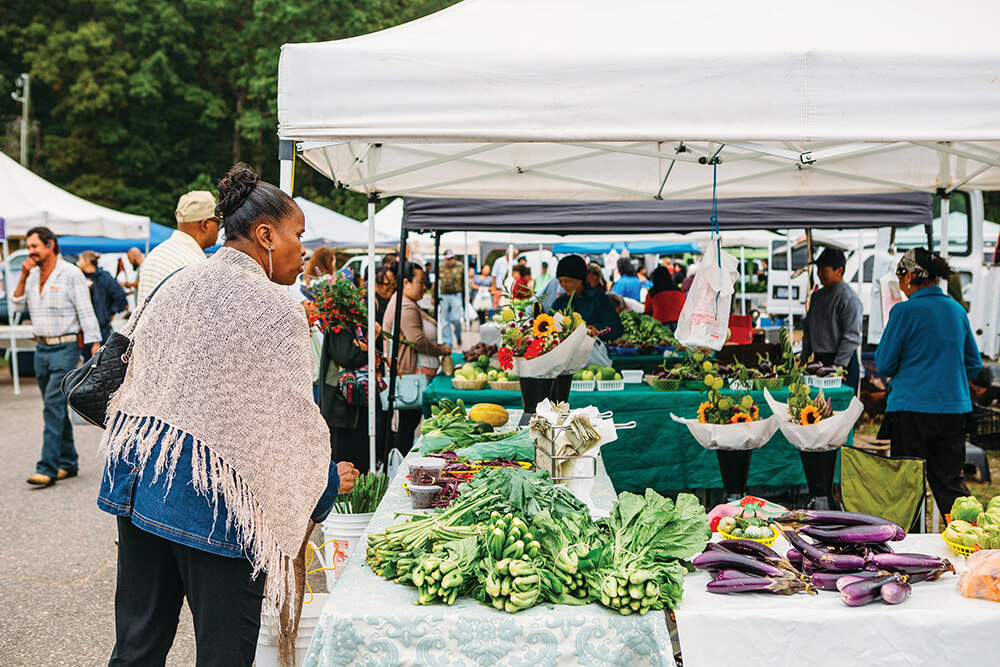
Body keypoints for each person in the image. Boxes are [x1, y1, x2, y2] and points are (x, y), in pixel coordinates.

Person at [97, 163, 358, 665]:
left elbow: (143, 384)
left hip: (137, 485)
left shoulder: (175, 285)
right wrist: (324, 482)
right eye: (296, 235)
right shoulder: (275, 306)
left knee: (136, 648)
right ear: (265, 236)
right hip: (213, 504)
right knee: (224, 654)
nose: (302, 250)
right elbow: (289, 425)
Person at [875, 248, 982, 518]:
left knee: (907, 488)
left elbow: (885, 363)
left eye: (900, 275)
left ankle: (906, 550)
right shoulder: (956, 310)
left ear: (910, 276)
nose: (900, 282)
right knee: (950, 485)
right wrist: (948, 380)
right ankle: (972, 543)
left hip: (911, 413)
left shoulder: (903, 312)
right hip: (954, 411)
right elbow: (974, 363)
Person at [11, 227, 102, 487]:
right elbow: (16, 306)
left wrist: (95, 344)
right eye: (29, 247)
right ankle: (69, 461)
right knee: (55, 407)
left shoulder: (71, 274)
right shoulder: (30, 275)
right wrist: (23, 274)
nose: (30, 251)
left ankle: (47, 467)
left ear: (50, 245)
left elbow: (86, 312)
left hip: (65, 347)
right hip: (40, 349)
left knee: (52, 405)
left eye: (34, 246)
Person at [383, 262, 451, 455]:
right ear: (406, 282)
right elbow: (417, 340)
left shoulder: (406, 302)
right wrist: (442, 349)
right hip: (410, 375)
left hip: (411, 374)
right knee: (407, 425)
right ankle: (400, 464)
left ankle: (400, 460)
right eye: (420, 282)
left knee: (408, 424)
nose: (424, 287)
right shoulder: (405, 306)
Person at [136, 190, 220, 302]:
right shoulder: (195, 264)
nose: (219, 229)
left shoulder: (156, 253)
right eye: (218, 223)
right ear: (204, 225)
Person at [800, 248, 863, 392]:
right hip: (818, 362)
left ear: (839, 271)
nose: (819, 274)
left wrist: (837, 367)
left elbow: (851, 337)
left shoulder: (849, 299)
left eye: (823, 269)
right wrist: (804, 358)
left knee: (840, 409)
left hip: (842, 363)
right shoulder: (816, 297)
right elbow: (808, 329)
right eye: (818, 269)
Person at [552, 255, 623, 342]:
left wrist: (596, 329)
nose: (563, 285)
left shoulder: (599, 300)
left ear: (580, 280)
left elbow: (616, 328)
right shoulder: (560, 303)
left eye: (567, 281)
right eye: (560, 281)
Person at [76, 250, 128, 350]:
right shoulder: (79, 277)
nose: (78, 262)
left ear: (87, 261)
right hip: (84, 328)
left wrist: (111, 312)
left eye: (80, 259)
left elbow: (119, 294)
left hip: (101, 325)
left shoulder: (103, 277)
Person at [437, 249, 465, 348]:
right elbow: (436, 282)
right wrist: (433, 295)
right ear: (445, 259)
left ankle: (458, 335)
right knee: (444, 320)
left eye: (452, 258)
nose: (450, 260)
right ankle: (448, 343)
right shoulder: (441, 267)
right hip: (444, 295)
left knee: (456, 318)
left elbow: (465, 282)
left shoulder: (460, 266)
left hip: (456, 294)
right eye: (448, 258)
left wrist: (467, 296)